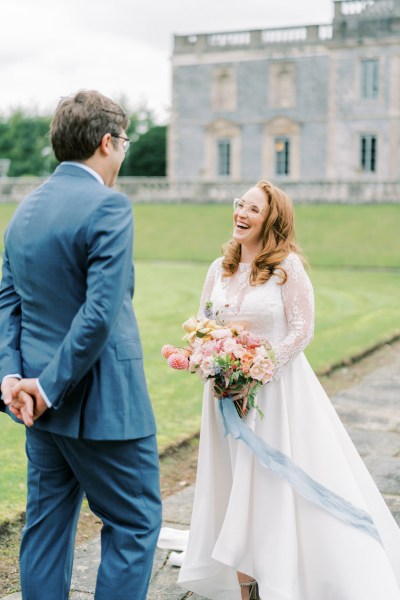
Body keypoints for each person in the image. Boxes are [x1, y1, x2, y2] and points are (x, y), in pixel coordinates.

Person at [175, 181, 400, 599]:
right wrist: (208, 359)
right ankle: (244, 585)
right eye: (239, 204)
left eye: (253, 209)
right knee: (232, 485)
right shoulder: (217, 268)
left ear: (271, 219)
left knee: (272, 485)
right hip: (224, 397)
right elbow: (203, 322)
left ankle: (283, 573)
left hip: (276, 396)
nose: (241, 213)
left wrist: (258, 370)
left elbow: (302, 330)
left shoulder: (287, 268)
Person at [0, 90, 162, 600]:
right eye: (125, 142)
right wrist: (45, 388)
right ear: (107, 141)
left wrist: (11, 379)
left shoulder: (24, 209)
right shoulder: (109, 204)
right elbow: (100, 313)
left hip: (37, 408)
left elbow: (8, 304)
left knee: (46, 529)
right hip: (103, 407)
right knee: (135, 524)